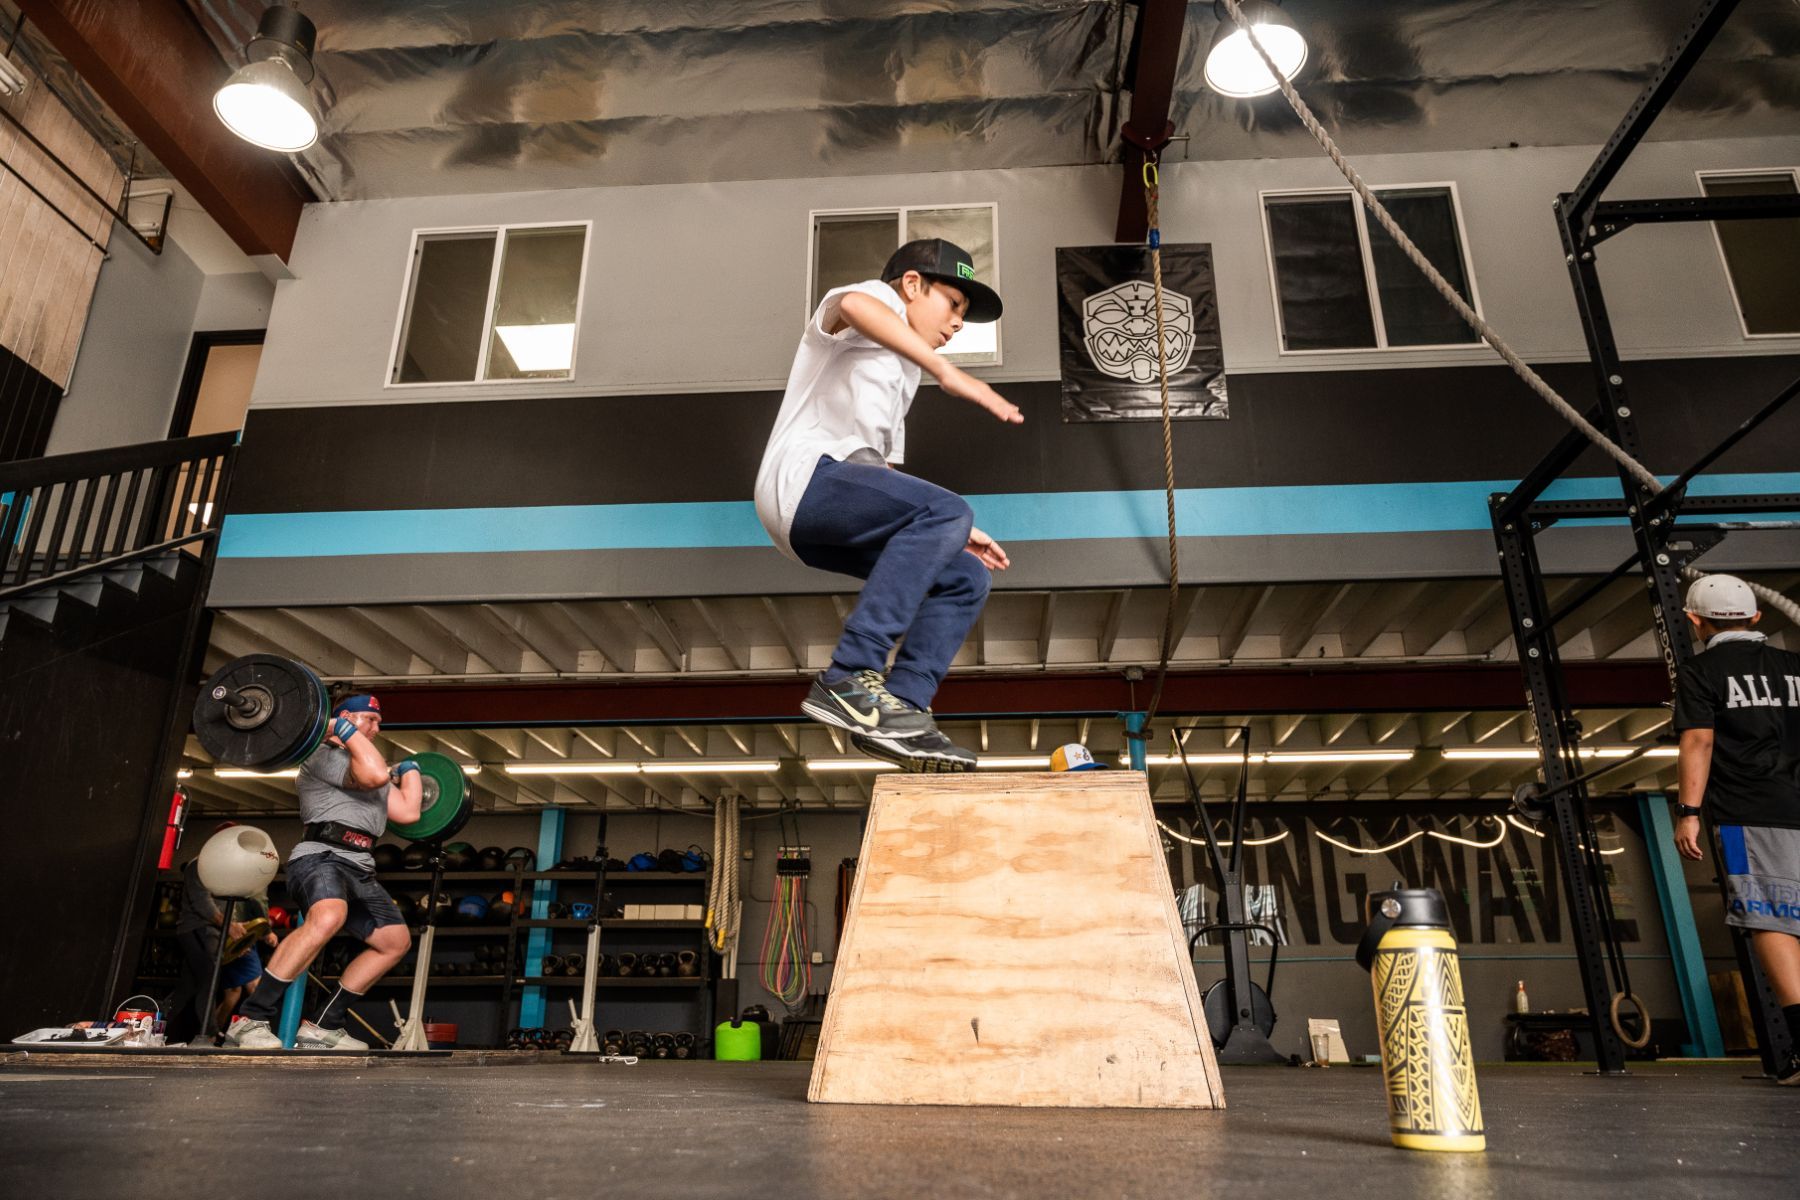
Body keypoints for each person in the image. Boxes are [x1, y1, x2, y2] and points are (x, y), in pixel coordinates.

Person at [754, 238, 1020, 772]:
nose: (958, 324)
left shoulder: (904, 374)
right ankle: (849, 676)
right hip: (802, 481)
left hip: (830, 504)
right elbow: (853, 308)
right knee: (947, 510)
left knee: (966, 575)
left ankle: (904, 710)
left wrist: (950, 533)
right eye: (954, 305)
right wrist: (950, 373)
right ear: (914, 286)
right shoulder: (875, 302)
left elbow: (878, 474)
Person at [224, 694, 421, 1050]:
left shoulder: (368, 768)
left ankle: (324, 1026)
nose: (377, 728)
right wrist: (341, 730)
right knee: (329, 916)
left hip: (360, 867)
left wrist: (413, 770)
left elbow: (408, 812)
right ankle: (250, 1017)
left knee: (395, 943)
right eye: (368, 719)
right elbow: (376, 772)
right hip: (321, 856)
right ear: (344, 718)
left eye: (378, 721)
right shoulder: (321, 756)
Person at [1671, 573, 1800, 1085]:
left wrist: (1688, 812)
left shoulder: (1702, 671)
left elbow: (1699, 742)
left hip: (1750, 814)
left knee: (1770, 918)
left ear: (1696, 621)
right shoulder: (1794, 666)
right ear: (1756, 619)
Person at [172, 822, 279, 1041]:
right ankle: (207, 1035)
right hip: (197, 929)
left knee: (194, 986)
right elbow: (202, 903)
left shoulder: (234, 870)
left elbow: (248, 900)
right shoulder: (199, 865)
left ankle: (169, 1029)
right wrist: (229, 927)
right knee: (207, 981)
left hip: (221, 932)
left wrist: (243, 935)